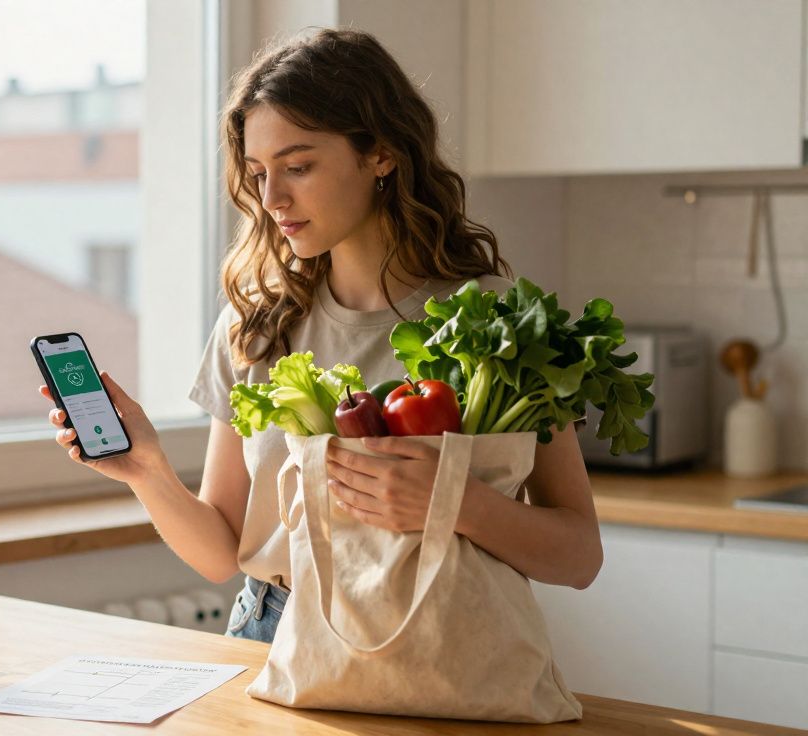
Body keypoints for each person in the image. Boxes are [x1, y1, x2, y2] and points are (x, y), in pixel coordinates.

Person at [38, 28, 602, 644]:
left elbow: (578, 557)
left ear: (381, 152)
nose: (272, 198)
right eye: (257, 172)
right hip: (271, 634)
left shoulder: (493, 327)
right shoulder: (255, 320)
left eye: (298, 166)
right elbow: (224, 553)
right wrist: (147, 469)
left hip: (435, 643)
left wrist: (455, 502)